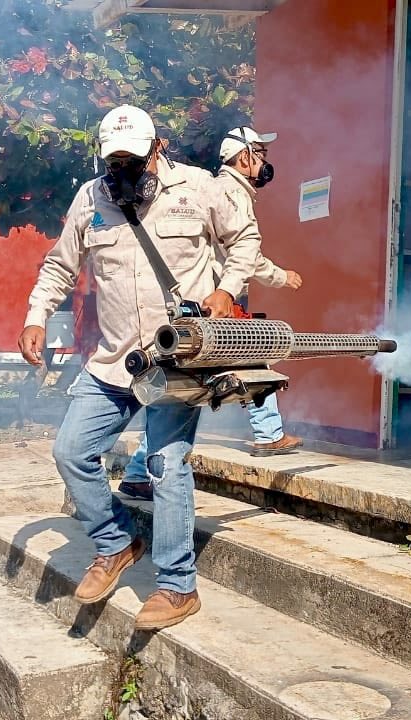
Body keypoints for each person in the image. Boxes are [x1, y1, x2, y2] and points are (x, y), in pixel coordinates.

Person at [18, 105, 261, 630]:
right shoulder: (91, 197)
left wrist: (226, 289)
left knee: (165, 465)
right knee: (71, 451)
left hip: (176, 359)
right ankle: (118, 540)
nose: (123, 170)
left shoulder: (199, 188)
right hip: (114, 360)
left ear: (159, 147)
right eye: (114, 161)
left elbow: (244, 239)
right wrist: (36, 316)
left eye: (133, 159)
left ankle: (177, 586)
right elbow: (61, 264)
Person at [118, 126, 304, 501]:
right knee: (238, 368)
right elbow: (245, 255)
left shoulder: (231, 190)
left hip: (215, 302)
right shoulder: (232, 191)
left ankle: (139, 472)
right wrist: (281, 277)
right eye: (261, 153)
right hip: (218, 304)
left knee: (195, 383)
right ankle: (268, 435)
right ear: (245, 156)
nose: (265, 161)